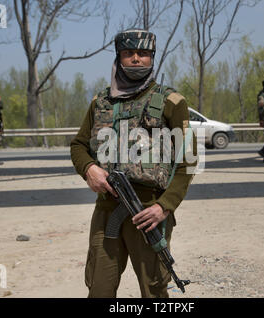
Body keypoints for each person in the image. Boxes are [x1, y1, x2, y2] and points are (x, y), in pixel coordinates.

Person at [70, 29, 198, 298]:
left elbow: (187, 161)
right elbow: (79, 145)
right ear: (119, 58)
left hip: (149, 213)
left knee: (154, 291)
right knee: (99, 289)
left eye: (143, 54)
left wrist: (165, 207)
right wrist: (89, 168)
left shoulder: (172, 102)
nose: (136, 59)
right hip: (107, 210)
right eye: (129, 54)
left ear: (152, 58)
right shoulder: (100, 102)